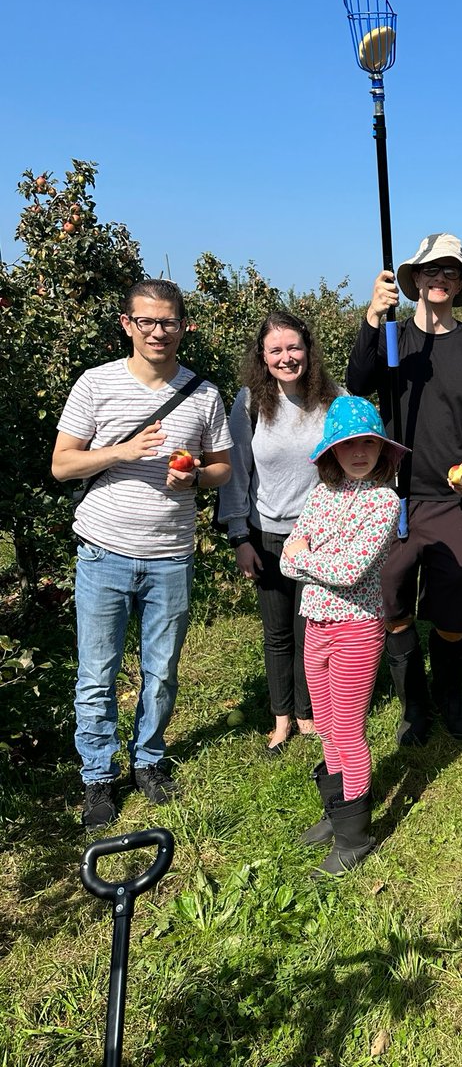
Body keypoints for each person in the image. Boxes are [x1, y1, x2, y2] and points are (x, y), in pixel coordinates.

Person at [51, 280, 232, 831]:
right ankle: (99, 775)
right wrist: (124, 451)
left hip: (171, 554)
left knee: (161, 670)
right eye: (147, 321)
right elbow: (62, 465)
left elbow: (223, 468)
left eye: (169, 322)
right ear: (128, 325)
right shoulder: (96, 384)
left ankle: (148, 761)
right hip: (104, 551)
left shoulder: (203, 394)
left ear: (184, 327)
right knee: (97, 672)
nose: (158, 331)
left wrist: (195, 477)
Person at [346, 233, 462, 745]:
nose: (439, 279)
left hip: (451, 499)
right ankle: (413, 705)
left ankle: (450, 694)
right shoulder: (395, 339)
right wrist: (373, 318)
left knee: (454, 604)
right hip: (393, 497)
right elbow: (358, 381)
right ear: (413, 280)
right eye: (430, 272)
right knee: (393, 603)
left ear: (461, 284)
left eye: (450, 273)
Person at [280, 395, 405, 876]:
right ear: (331, 452)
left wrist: (303, 559)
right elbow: (293, 553)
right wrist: (307, 560)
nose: (358, 453)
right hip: (316, 624)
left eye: (368, 443)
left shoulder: (384, 502)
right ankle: (338, 812)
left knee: (349, 732)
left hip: (356, 628)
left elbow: (350, 570)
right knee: (328, 728)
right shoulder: (320, 496)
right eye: (347, 444)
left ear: (381, 448)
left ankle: (356, 835)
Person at [216, 311, 339, 754]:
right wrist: (239, 537)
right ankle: (281, 716)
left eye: (294, 347)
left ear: (308, 349)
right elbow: (236, 473)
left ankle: (308, 714)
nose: (287, 357)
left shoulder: (331, 397)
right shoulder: (250, 401)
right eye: (276, 350)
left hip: (319, 535)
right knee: (277, 632)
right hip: (268, 533)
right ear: (263, 357)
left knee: (312, 627)